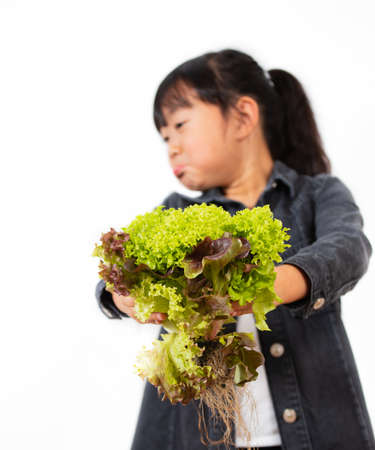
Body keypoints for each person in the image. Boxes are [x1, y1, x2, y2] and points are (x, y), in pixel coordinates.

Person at [95, 48, 375, 450]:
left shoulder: (315, 195)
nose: (172, 146)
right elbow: (119, 271)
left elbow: (348, 248)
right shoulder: (178, 212)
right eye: (165, 137)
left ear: (243, 116)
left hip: (314, 432)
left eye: (180, 125)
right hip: (200, 436)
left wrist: (269, 285)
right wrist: (125, 297)